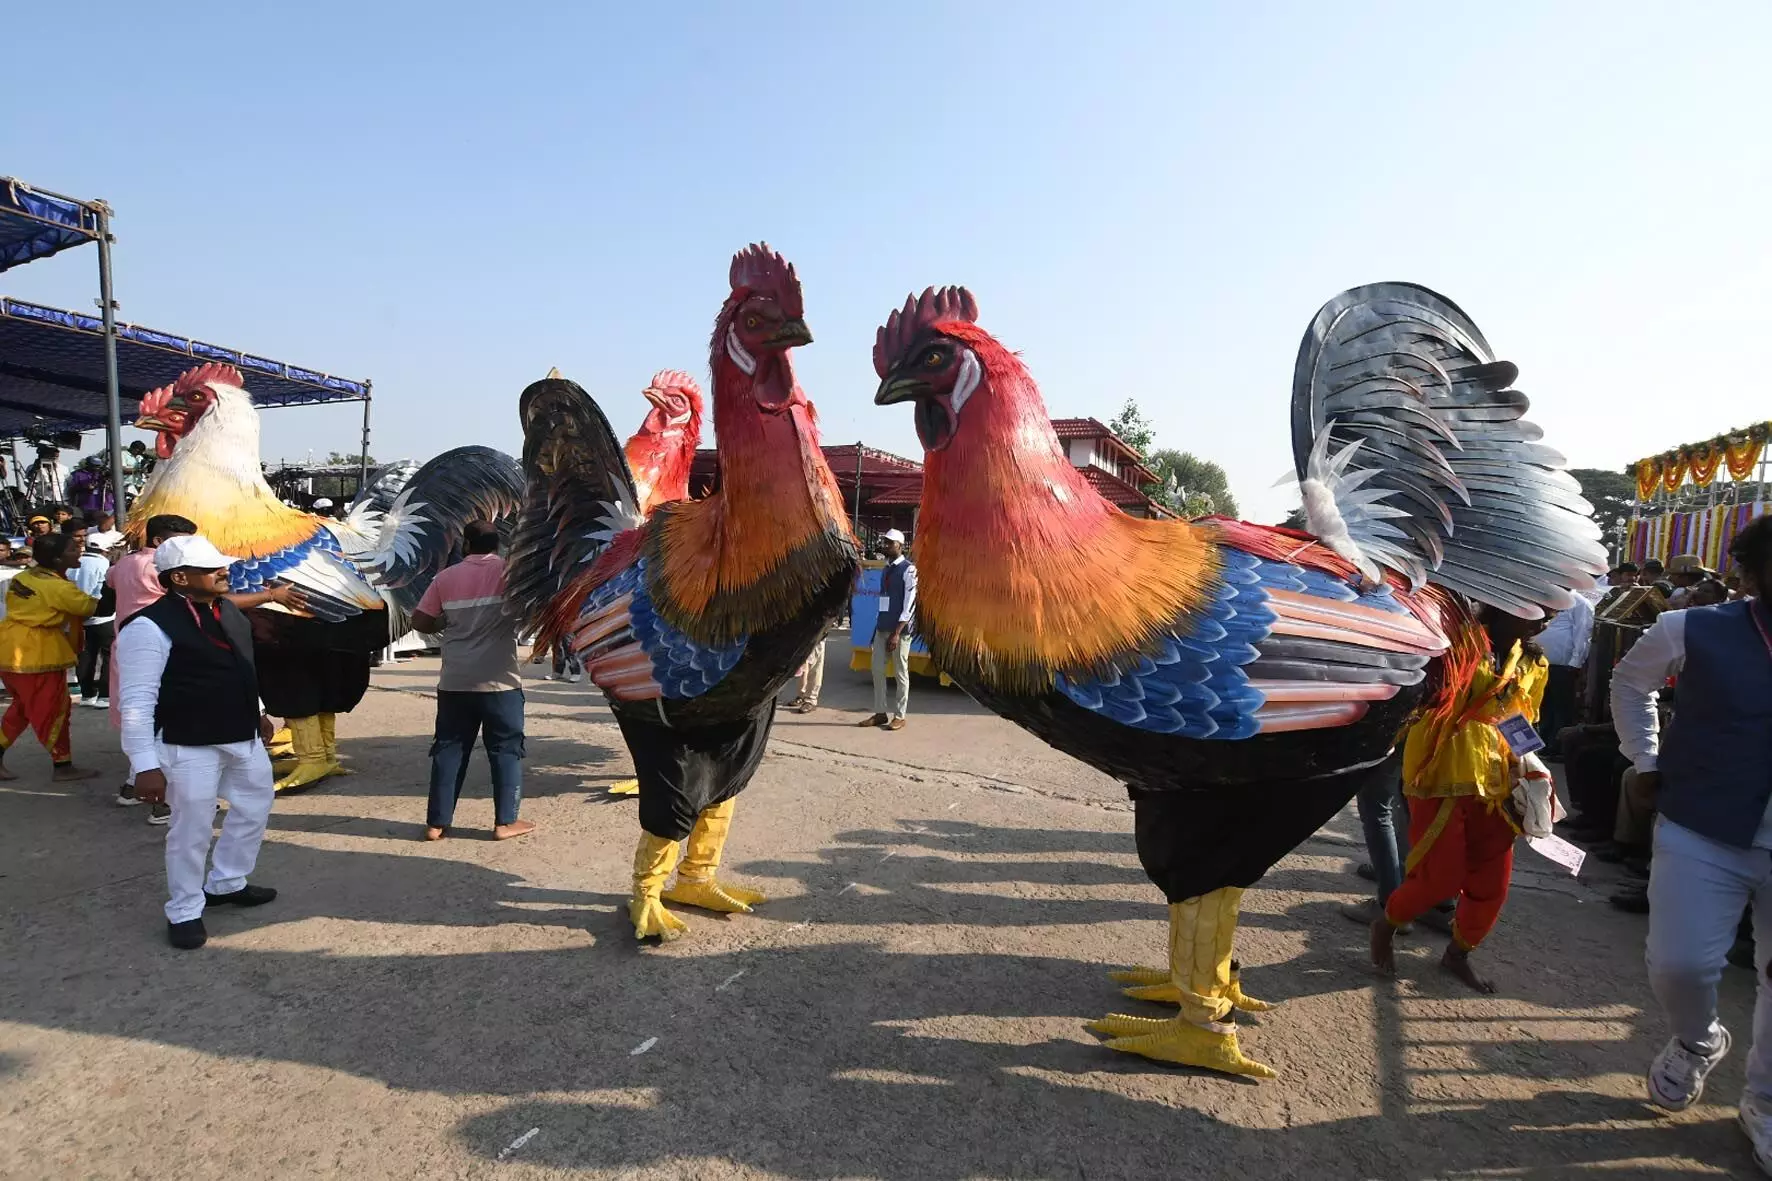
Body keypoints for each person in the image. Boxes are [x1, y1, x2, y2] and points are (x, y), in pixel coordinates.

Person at [1609, 515, 1772, 1165]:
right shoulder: (1690, 626)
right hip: (1702, 822)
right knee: (1679, 963)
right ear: (1752, 574)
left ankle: (1764, 1101)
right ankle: (1698, 1038)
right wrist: (1645, 758)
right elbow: (1630, 682)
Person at [1371, 605, 1551, 993]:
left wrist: (1534, 769)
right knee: (1440, 877)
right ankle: (1387, 924)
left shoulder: (1534, 661)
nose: (1547, 619)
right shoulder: (1454, 641)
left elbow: (1519, 720)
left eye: (1554, 611)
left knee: (1493, 880)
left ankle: (1459, 953)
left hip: (1497, 777)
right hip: (1441, 767)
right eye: (1540, 608)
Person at [119, 534, 280, 950]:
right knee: (191, 829)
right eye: (212, 568)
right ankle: (185, 909)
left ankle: (227, 882)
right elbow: (137, 701)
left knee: (254, 808)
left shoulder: (227, 610)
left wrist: (258, 710)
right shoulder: (148, 626)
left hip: (241, 734)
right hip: (187, 743)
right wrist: (144, 765)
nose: (224, 571)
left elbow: (241, 664)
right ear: (179, 577)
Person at [410, 519, 532, 842]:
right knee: (506, 749)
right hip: (500, 683)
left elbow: (420, 620)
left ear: (465, 545)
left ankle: (436, 823)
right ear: (498, 545)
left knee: (449, 748)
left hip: (455, 681)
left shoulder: (445, 578)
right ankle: (505, 822)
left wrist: (445, 621)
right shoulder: (511, 574)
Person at [0, 533, 100, 781]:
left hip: (9, 647)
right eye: (72, 548)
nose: (79, 550)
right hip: (36, 655)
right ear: (57, 559)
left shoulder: (25, 576)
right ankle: (62, 766)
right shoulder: (58, 587)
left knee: (22, 708)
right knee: (53, 710)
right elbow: (90, 607)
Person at [858, 529, 916, 731]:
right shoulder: (886, 569)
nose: (886, 546)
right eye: (885, 542)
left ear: (900, 545)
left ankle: (900, 716)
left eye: (890, 543)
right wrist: (877, 628)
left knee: (900, 673)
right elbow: (883, 602)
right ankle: (880, 712)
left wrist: (897, 632)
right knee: (877, 670)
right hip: (882, 628)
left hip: (899, 632)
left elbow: (909, 604)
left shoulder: (909, 570)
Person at [1537, 593, 1593, 757]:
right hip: (1540, 663)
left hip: (1563, 665)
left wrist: (1576, 662)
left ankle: (1558, 748)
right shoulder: (1547, 595)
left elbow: (1583, 633)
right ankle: (1544, 743)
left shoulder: (1580, 602)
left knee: (1561, 707)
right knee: (1544, 705)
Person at [72, 534, 116, 710]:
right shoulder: (104, 564)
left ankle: (87, 693)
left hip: (77, 616)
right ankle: (105, 695)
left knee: (85, 655)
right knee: (109, 656)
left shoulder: (74, 562)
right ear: (106, 549)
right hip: (103, 616)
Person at [787, 633, 826, 713]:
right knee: (803, 663)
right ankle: (802, 695)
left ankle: (811, 699)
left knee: (814, 663)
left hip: (817, 633)